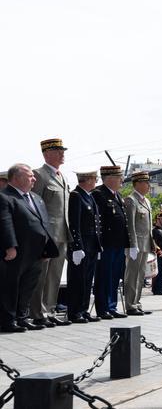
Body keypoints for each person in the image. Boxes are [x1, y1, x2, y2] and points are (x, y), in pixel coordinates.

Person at [1, 163, 58, 332]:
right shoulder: (5, 197)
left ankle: (22, 317)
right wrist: (10, 246)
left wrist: (47, 248)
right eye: (30, 176)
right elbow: (5, 222)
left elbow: (43, 223)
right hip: (17, 251)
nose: (34, 179)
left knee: (28, 286)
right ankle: (8, 320)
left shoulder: (35, 197)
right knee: (11, 286)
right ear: (17, 178)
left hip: (36, 252)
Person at [30, 138, 72, 327]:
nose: (62, 154)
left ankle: (50, 309)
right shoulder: (39, 175)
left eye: (62, 150)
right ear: (47, 154)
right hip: (47, 234)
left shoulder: (62, 176)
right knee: (42, 275)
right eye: (58, 151)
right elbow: (35, 205)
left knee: (55, 275)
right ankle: (38, 312)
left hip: (62, 233)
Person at [92, 166, 129, 319]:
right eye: (119, 177)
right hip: (106, 243)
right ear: (109, 178)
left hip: (118, 243)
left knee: (114, 276)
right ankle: (103, 308)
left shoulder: (117, 195)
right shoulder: (98, 194)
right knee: (104, 276)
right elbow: (97, 221)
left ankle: (112, 306)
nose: (122, 180)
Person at [66, 170, 103, 322]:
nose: (96, 182)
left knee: (88, 280)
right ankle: (75, 312)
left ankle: (84, 309)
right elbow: (75, 223)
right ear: (87, 179)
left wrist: (98, 246)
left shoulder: (89, 196)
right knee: (78, 280)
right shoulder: (76, 195)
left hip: (91, 245)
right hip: (82, 245)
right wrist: (76, 246)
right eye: (95, 179)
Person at [123, 171, 154, 315]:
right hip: (136, 245)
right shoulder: (131, 200)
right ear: (137, 184)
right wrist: (132, 245)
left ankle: (137, 302)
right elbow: (131, 225)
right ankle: (130, 304)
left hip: (146, 243)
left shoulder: (146, 201)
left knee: (141, 275)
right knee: (132, 275)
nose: (148, 185)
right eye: (145, 182)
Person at [151, 209, 162, 295]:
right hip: (158, 254)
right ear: (157, 220)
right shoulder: (154, 230)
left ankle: (160, 288)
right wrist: (160, 253)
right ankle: (157, 289)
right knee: (158, 272)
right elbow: (154, 243)